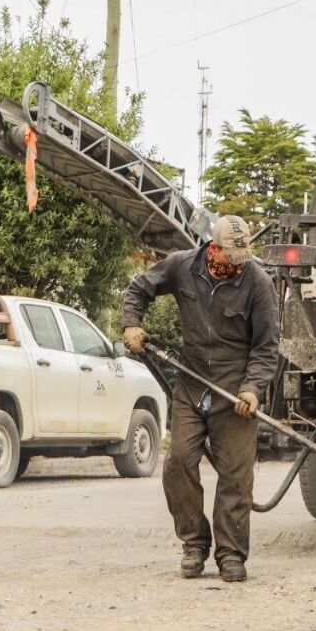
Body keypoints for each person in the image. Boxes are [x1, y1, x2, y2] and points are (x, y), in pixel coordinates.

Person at [122, 214, 281, 583]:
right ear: (213, 248)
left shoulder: (258, 283)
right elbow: (138, 289)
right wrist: (132, 323)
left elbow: (267, 345)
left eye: (243, 256)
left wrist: (253, 388)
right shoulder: (181, 265)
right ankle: (194, 544)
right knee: (178, 463)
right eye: (231, 256)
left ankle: (230, 554)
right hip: (192, 385)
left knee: (236, 476)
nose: (238, 263)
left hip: (235, 390)